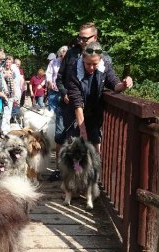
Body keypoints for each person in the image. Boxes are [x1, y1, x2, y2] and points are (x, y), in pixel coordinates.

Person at [51, 22, 99, 181]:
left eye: (85, 38)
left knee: (91, 143)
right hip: (69, 106)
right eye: (80, 38)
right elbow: (59, 78)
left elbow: (108, 81)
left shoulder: (101, 55)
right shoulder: (71, 54)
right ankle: (62, 172)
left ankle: (89, 179)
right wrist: (64, 93)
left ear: (95, 37)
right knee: (63, 137)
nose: (82, 41)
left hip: (91, 109)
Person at [67, 42, 133, 153]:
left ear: (100, 60)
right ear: (83, 58)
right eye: (88, 64)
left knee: (95, 148)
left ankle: (95, 168)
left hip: (95, 114)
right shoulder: (74, 70)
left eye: (95, 64)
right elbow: (77, 102)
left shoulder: (105, 66)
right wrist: (83, 131)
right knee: (76, 150)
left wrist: (124, 84)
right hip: (76, 114)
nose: (91, 68)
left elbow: (114, 84)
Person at [45, 45, 68, 175]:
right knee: (52, 115)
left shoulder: (72, 63)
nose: (64, 53)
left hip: (65, 94)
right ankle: (58, 167)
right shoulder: (54, 62)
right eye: (62, 51)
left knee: (62, 121)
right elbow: (49, 74)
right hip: (54, 92)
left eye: (66, 52)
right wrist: (49, 82)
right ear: (59, 53)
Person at [1, 55, 16, 134]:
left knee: (9, 112)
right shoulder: (2, 71)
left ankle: (6, 127)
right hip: (4, 95)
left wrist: (15, 95)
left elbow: (13, 83)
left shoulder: (12, 71)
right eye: (7, 62)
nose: (8, 64)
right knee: (5, 112)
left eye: (9, 62)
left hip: (11, 95)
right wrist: (4, 76)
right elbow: (0, 80)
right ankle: (3, 129)